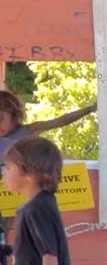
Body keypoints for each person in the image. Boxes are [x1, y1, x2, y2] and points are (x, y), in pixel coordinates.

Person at [0, 90, 96, 262]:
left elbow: (59, 121)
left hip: (19, 195)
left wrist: (89, 109)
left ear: (13, 115)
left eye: (1, 118)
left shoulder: (28, 131)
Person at [1, 136, 70, 265]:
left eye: (8, 168)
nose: (3, 173)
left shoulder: (36, 209)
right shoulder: (42, 203)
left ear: (29, 174)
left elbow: (50, 256)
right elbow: (31, 250)